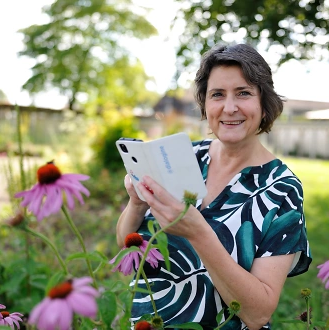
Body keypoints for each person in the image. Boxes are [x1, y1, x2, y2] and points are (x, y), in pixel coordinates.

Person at [115, 43, 312, 330]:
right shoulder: (183, 155)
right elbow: (126, 246)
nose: (229, 108)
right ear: (205, 104)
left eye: (243, 93)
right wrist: (136, 204)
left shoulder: (282, 189)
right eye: (217, 94)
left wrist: (199, 233)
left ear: (264, 103)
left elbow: (257, 314)